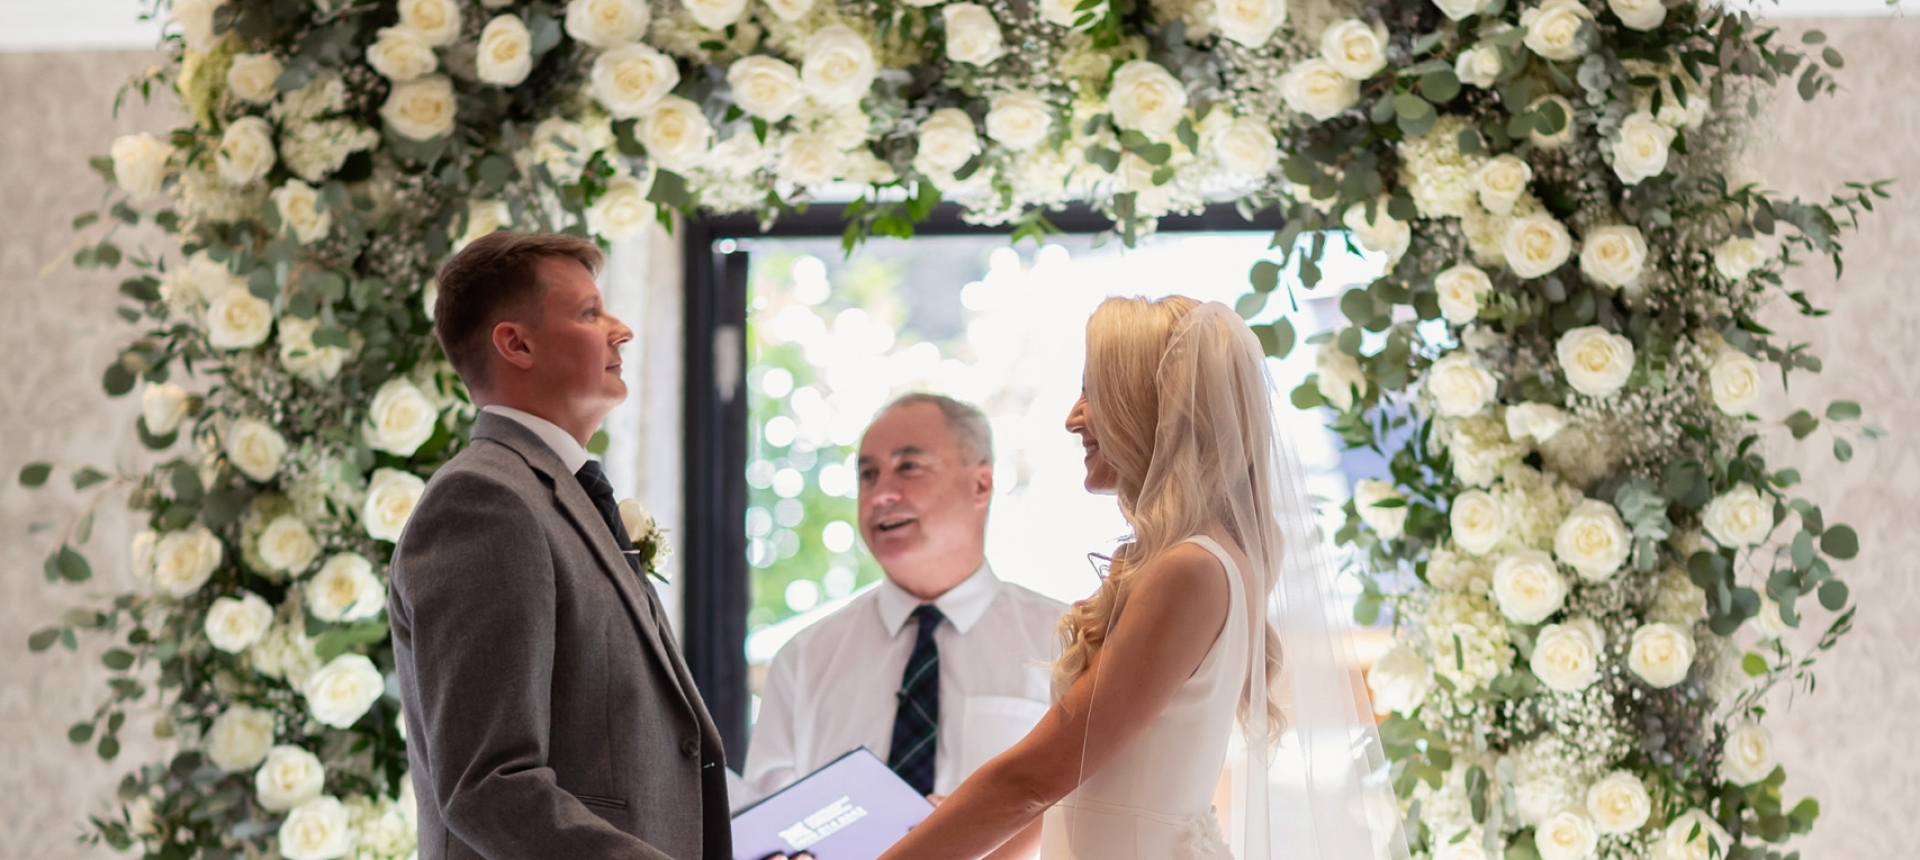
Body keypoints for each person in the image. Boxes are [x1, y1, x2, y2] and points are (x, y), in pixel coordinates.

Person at [873, 297, 1402, 860]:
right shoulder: (1204, 561)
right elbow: (1072, 780)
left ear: (1152, 407)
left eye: (1092, 393)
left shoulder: (1189, 569)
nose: (1073, 418)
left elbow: (1039, 774)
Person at [389, 232, 731, 860]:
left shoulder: (557, 495)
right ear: (515, 343)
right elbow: (488, 784)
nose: (621, 330)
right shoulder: (484, 502)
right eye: (590, 313)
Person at [741, 395, 1066, 845]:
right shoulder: (802, 659)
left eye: (908, 468)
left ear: (981, 484)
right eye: (867, 475)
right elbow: (764, 834)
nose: (881, 495)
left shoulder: (1063, 644)